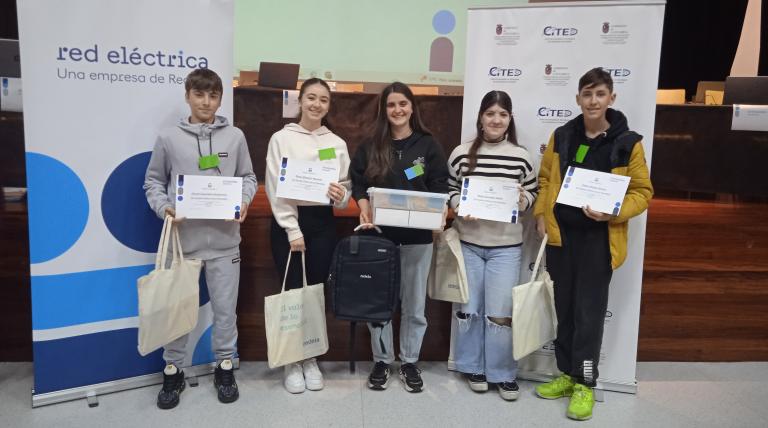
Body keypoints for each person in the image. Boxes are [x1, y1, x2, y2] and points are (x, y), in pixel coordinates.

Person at [533, 67, 653, 420]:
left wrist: (613, 212)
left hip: (599, 243)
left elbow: (643, 192)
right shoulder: (563, 135)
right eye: (587, 94)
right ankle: (567, 376)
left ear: (611, 98)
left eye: (600, 94)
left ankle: (585, 382)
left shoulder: (628, 142)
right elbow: (544, 179)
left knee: (589, 315)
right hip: (562, 240)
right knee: (565, 311)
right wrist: (542, 214)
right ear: (578, 99)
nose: (593, 100)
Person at [144, 68, 258, 408]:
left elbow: (248, 177)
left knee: (226, 312)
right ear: (188, 96)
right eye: (199, 94)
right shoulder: (168, 138)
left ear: (220, 98)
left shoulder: (235, 137)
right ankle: (173, 370)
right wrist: (164, 208)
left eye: (213, 96)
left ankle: (225, 365)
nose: (206, 102)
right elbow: (153, 182)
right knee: (177, 309)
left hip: (225, 244)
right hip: (182, 244)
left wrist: (245, 201)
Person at [350, 82, 449, 393]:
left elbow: (441, 185)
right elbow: (357, 182)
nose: (397, 110)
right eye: (391, 105)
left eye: (403, 104)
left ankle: (408, 361)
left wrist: (440, 215)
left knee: (414, 306)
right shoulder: (370, 144)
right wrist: (363, 206)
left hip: (418, 239)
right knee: (380, 304)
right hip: (380, 240)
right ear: (384, 109)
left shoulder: (428, 145)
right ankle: (382, 360)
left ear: (412, 107)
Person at [446, 90, 537, 401]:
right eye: (490, 114)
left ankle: (503, 373)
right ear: (481, 118)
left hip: (506, 248)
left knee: (500, 314)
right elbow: (450, 189)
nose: (496, 120)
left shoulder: (522, 156)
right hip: (468, 244)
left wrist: (523, 199)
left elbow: (533, 194)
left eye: (502, 114)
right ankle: (473, 367)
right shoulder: (460, 153)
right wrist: (459, 205)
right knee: (469, 310)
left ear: (509, 119)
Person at [265, 77, 351, 394]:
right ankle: (292, 360)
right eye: (311, 98)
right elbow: (275, 187)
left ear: (329, 106)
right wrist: (291, 228)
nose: (317, 104)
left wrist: (341, 195)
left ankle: (311, 356)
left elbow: (344, 191)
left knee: (315, 292)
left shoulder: (337, 143)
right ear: (300, 101)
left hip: (322, 223)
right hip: (289, 222)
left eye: (323, 100)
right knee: (291, 292)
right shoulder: (281, 139)